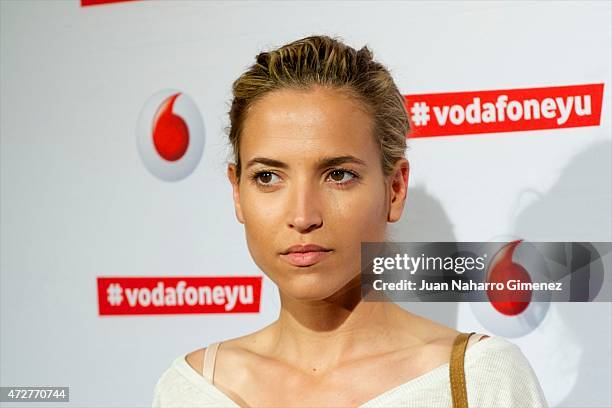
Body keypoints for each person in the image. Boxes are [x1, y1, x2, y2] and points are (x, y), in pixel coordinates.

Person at [152, 35, 548, 408]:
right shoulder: (191, 391)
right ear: (237, 192)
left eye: (338, 175)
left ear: (394, 189)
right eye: (268, 177)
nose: (303, 216)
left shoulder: (482, 382)